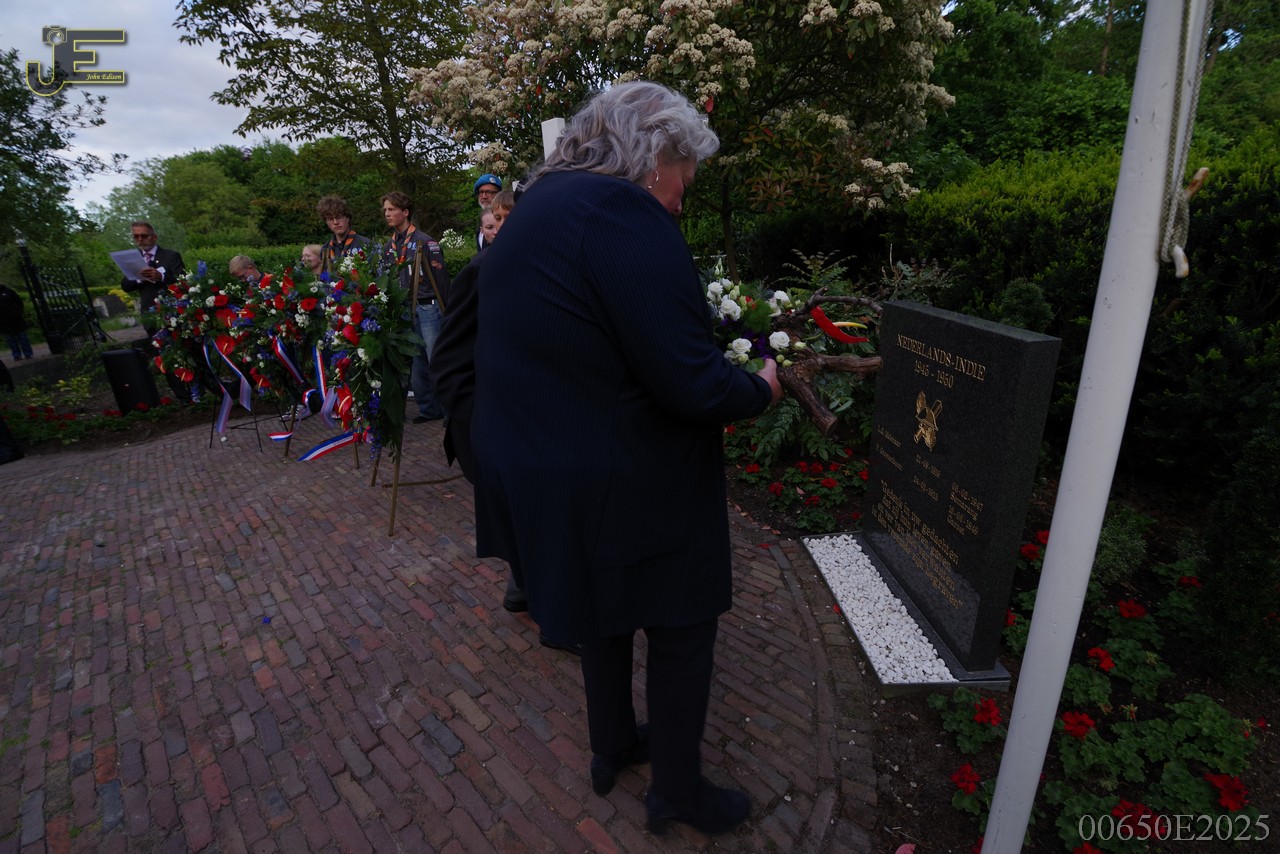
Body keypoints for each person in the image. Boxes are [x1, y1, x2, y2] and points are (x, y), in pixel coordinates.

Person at [469, 81, 782, 836]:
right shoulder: (620, 211)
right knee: (682, 621)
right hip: (622, 467)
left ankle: (612, 744)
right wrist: (761, 387)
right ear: (655, 158)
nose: (680, 200)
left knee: (603, 611)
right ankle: (677, 792)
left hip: (547, 456)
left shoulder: (541, 203)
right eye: (684, 181)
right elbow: (689, 380)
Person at [379, 191, 450, 423]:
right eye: (385, 210)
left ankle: (451, 410)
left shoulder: (425, 242)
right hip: (404, 310)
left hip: (428, 308)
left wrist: (447, 310)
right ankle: (429, 409)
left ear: (405, 212)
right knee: (416, 362)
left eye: (392, 209)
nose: (387, 214)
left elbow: (441, 279)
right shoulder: (388, 246)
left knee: (437, 359)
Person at [121, 222, 185, 335]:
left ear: (154, 237)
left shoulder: (171, 256)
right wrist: (140, 278)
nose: (140, 239)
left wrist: (162, 277)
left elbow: (182, 281)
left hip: (172, 312)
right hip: (149, 315)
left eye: (144, 236)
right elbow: (125, 286)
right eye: (136, 236)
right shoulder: (133, 259)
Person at [317, 195, 373, 274]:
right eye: (330, 219)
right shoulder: (325, 249)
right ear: (326, 222)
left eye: (339, 217)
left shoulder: (365, 244)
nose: (335, 222)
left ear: (348, 217)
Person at [0, 283, 33, 361]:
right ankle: (16, 355)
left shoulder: (9, 291)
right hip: (3, 322)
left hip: (16, 319)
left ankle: (28, 354)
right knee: (10, 339)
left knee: (22, 337)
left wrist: (18, 313)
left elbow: (19, 303)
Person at [472, 174, 502, 250]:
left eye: (489, 192)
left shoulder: (506, 221)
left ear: (499, 194)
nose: (484, 196)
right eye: (481, 192)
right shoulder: (479, 230)